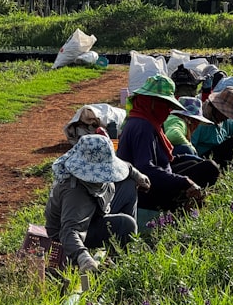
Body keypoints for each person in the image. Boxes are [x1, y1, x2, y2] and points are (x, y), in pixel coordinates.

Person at [45, 133, 151, 273]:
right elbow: (68, 231)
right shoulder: (75, 192)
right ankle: (120, 264)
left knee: (128, 184)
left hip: (95, 213)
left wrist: (137, 175)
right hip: (71, 234)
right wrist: (84, 258)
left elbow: (124, 166)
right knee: (127, 224)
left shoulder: (91, 166)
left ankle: (119, 251)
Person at [116, 74, 216, 211]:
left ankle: (186, 202)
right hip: (143, 189)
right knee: (208, 169)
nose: (168, 111)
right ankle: (180, 207)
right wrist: (184, 182)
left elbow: (163, 158)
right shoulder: (142, 126)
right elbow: (145, 169)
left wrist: (190, 159)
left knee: (197, 164)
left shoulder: (147, 120)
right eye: (166, 105)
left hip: (153, 177)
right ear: (151, 102)